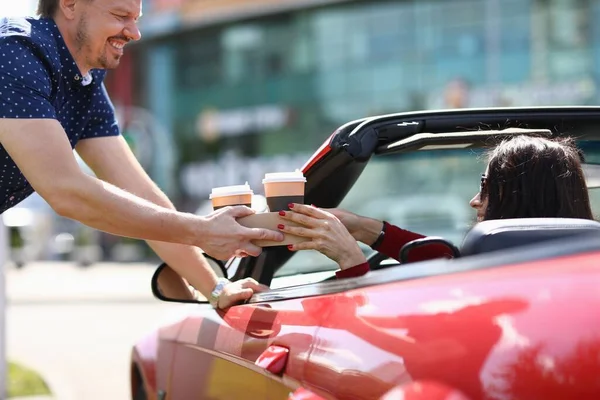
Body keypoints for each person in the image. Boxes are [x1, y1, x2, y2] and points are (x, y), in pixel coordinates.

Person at [0, 0, 283, 309]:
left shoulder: (85, 81)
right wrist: (201, 231)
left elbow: (142, 195)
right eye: (121, 16)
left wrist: (215, 288)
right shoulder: (16, 52)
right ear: (69, 4)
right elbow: (65, 191)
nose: (134, 33)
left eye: (136, 19)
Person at [277, 135, 594, 278]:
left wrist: (351, 260)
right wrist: (361, 227)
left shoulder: (498, 292)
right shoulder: (579, 275)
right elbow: (453, 262)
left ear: (523, 197)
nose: (473, 201)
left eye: (485, 186)